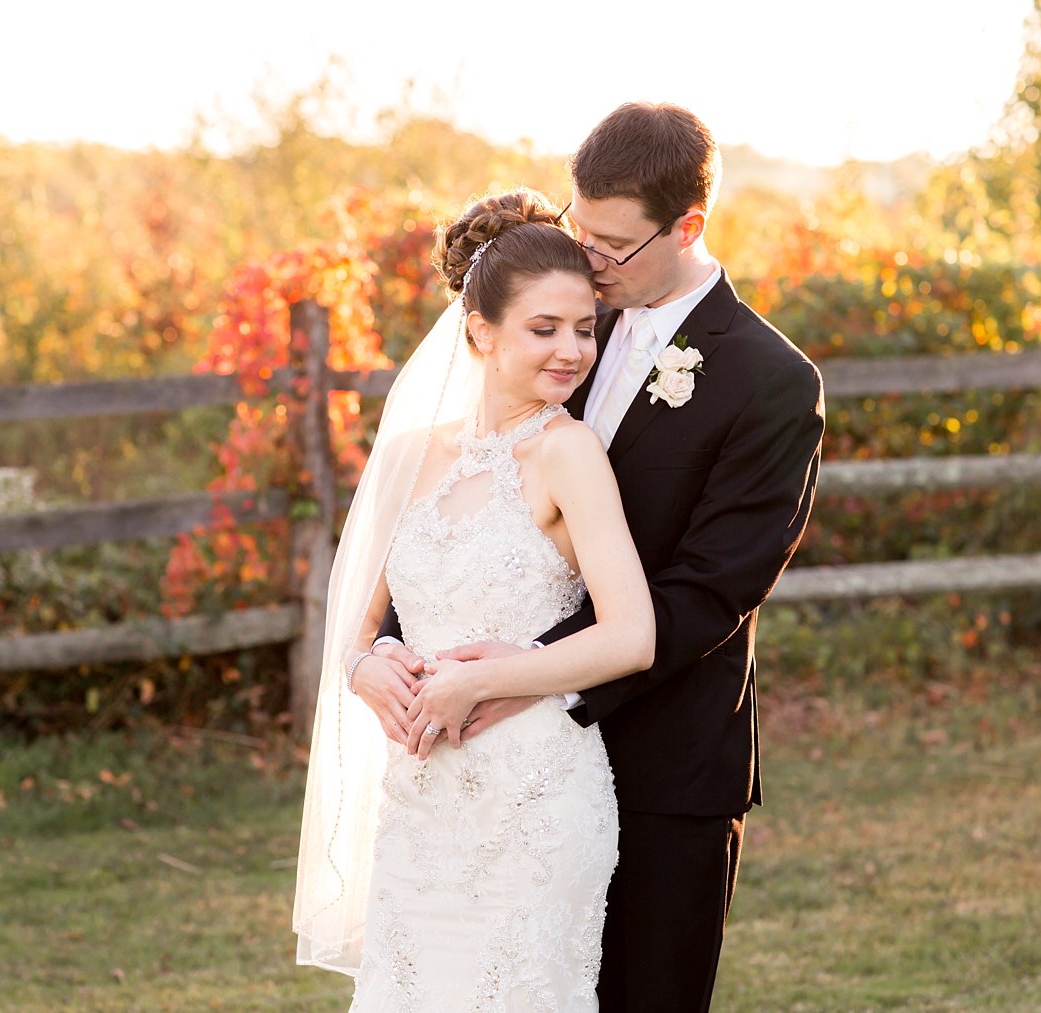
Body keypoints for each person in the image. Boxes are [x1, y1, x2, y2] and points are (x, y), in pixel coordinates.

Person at [371, 102, 826, 1010]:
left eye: (613, 244)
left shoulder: (772, 382)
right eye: (581, 230)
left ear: (688, 226)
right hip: (482, 764)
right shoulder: (565, 313)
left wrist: (529, 677)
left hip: (666, 765)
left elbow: (708, 592)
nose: (589, 259)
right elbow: (463, 499)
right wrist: (390, 641)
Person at [293, 189, 656, 1009]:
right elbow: (360, 614)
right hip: (422, 801)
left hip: (535, 800)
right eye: (545, 328)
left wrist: (486, 679)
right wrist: (364, 663)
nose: (572, 351)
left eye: (584, 328)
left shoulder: (569, 452)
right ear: (480, 332)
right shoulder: (411, 456)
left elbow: (633, 635)